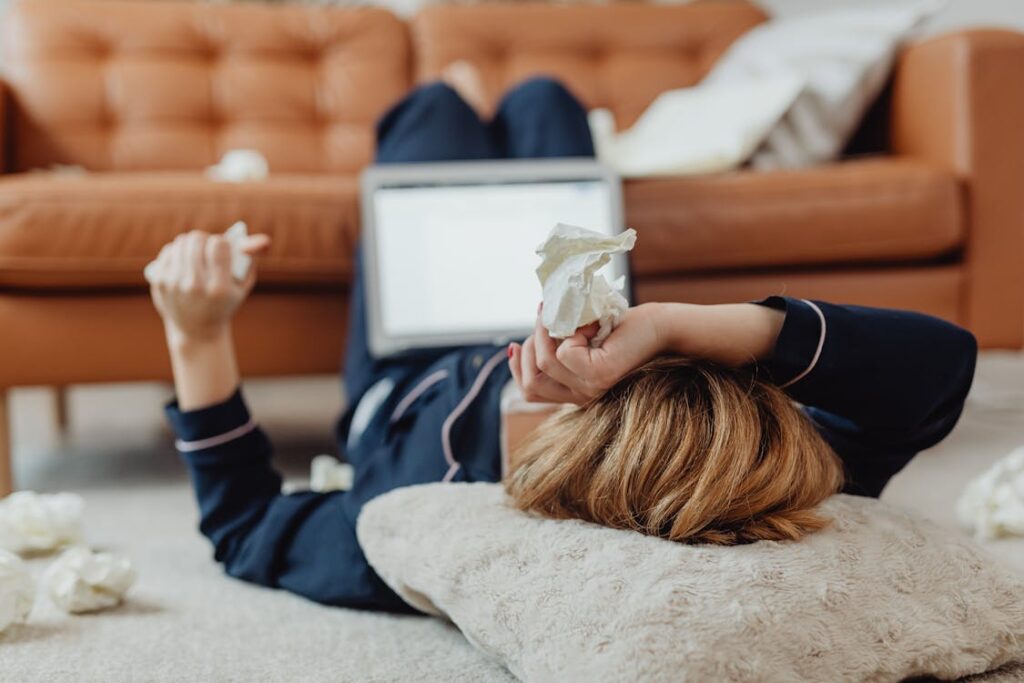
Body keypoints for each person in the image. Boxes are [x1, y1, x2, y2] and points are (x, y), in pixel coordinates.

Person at [147, 75, 977, 613]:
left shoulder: (428, 522)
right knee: (547, 98)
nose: (555, 385)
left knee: (429, 106)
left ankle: (461, 91)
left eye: (559, 412)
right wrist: (666, 324)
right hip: (572, 295)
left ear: (546, 480)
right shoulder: (764, 468)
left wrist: (198, 332)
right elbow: (940, 363)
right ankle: (526, 104)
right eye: (650, 371)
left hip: (412, 361)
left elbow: (248, 526)